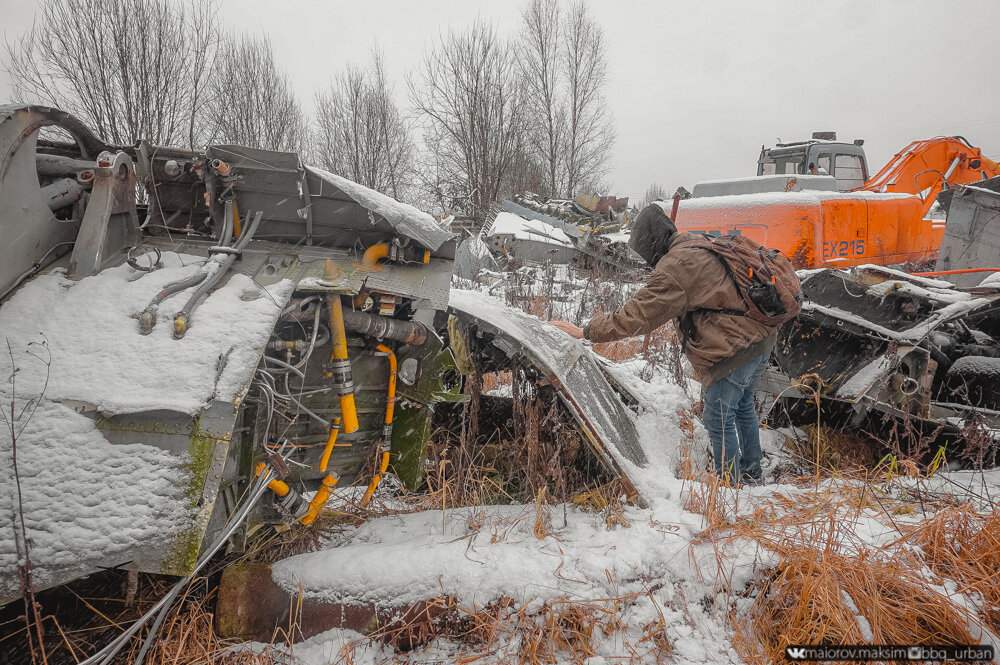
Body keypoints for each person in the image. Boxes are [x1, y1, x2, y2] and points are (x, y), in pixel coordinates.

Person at [550, 204, 776, 486]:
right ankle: (752, 473)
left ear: (651, 243)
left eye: (643, 250)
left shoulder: (677, 267)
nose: (645, 260)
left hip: (737, 348)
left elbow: (636, 316)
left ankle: (728, 487)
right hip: (762, 337)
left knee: (718, 418)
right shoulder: (695, 242)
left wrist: (584, 331)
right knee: (742, 407)